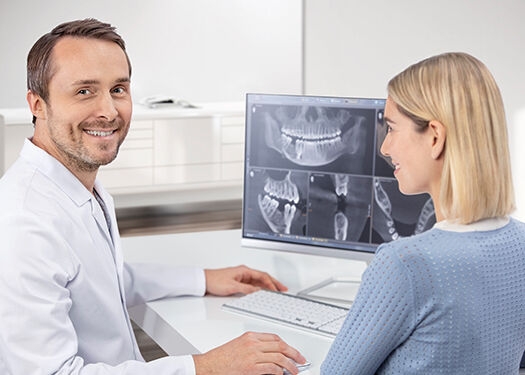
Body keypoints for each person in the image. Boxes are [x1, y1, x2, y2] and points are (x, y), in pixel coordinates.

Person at [0, 18, 306, 375]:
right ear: (37, 104)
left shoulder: (75, 186)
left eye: (118, 89)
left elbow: (100, 283)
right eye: (84, 91)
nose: (109, 110)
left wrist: (203, 279)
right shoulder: (24, 222)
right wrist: (205, 366)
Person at [321, 52, 525, 374]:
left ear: (434, 136)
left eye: (391, 128)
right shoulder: (521, 244)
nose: (385, 148)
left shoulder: (404, 264)